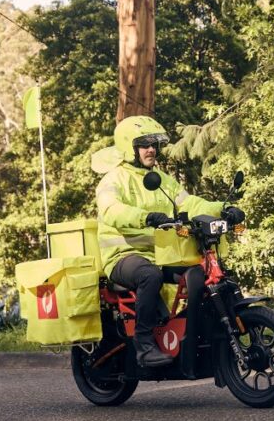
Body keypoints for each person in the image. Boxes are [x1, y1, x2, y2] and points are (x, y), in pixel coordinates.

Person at [94, 115, 243, 367]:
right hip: (122, 256)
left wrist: (223, 208)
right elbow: (111, 210)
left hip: (161, 253)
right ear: (129, 147)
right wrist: (146, 217)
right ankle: (144, 346)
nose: (152, 149)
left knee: (198, 272)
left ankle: (187, 337)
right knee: (149, 275)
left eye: (154, 144)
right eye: (144, 144)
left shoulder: (162, 179)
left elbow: (191, 204)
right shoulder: (113, 179)